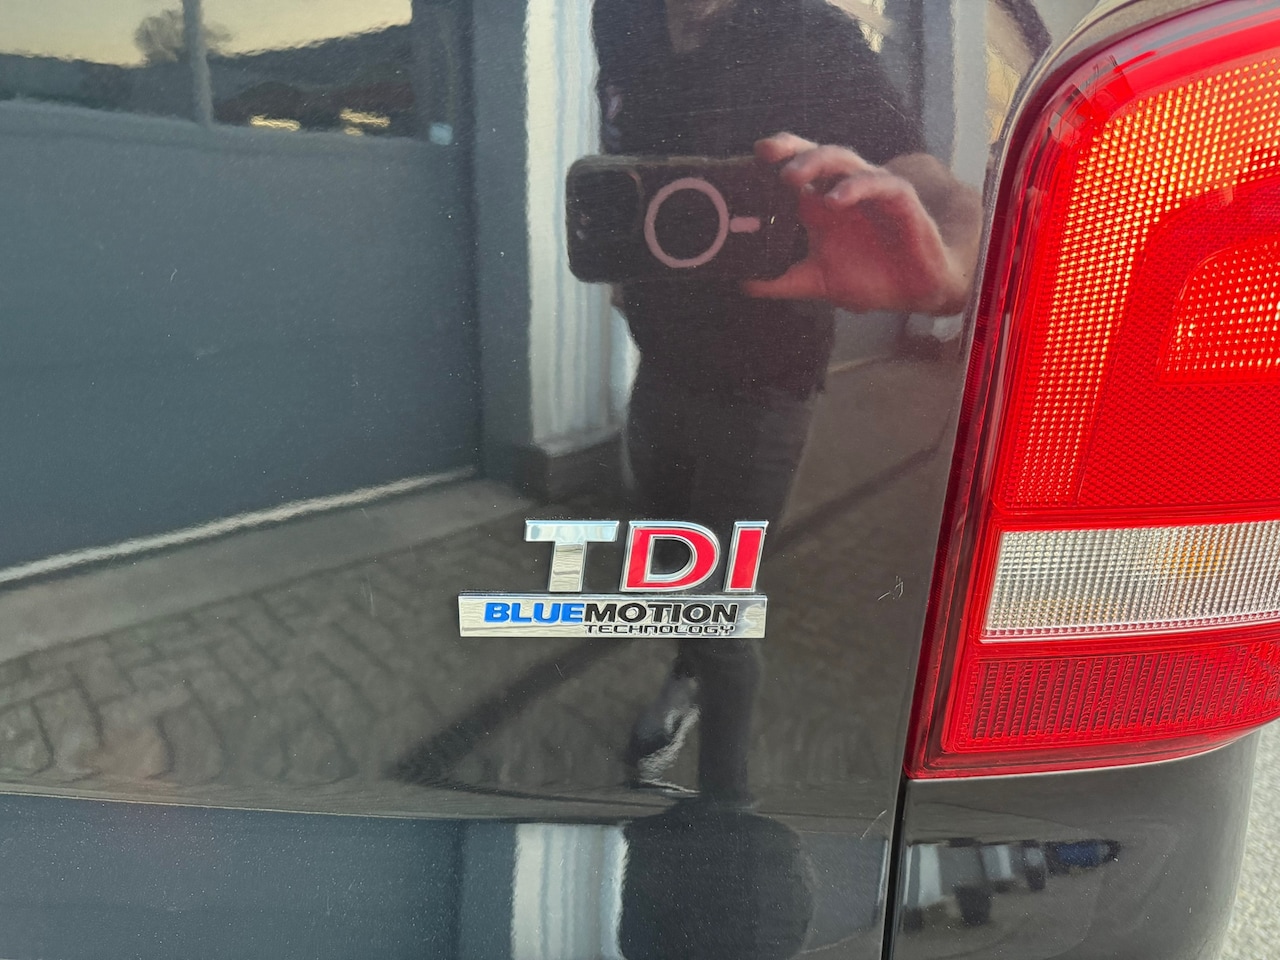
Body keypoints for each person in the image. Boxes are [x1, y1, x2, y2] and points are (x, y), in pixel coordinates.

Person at [592, 0, 981, 792]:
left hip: (763, 385)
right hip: (658, 368)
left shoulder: (810, 34)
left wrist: (953, 258)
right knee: (669, 562)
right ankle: (687, 671)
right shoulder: (620, 17)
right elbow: (629, 146)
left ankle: (724, 797)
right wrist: (630, 276)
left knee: (723, 602)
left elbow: (926, 178)